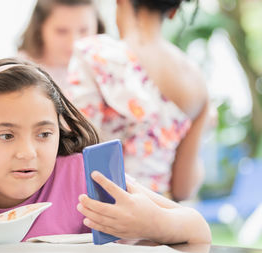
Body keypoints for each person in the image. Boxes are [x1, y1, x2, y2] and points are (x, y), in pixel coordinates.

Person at [0, 58, 211, 252]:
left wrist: (151, 222)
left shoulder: (87, 178)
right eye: (6, 135)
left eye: (43, 134)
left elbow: (198, 231)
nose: (28, 153)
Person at [65, 0, 210, 201]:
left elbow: (75, 151)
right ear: (173, 12)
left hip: (104, 216)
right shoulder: (196, 79)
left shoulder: (94, 54)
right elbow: (183, 189)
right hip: (159, 219)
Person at [18, 0, 105, 89]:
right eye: (61, 31)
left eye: (84, 30)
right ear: (39, 27)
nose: (73, 43)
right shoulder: (20, 72)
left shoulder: (107, 67)